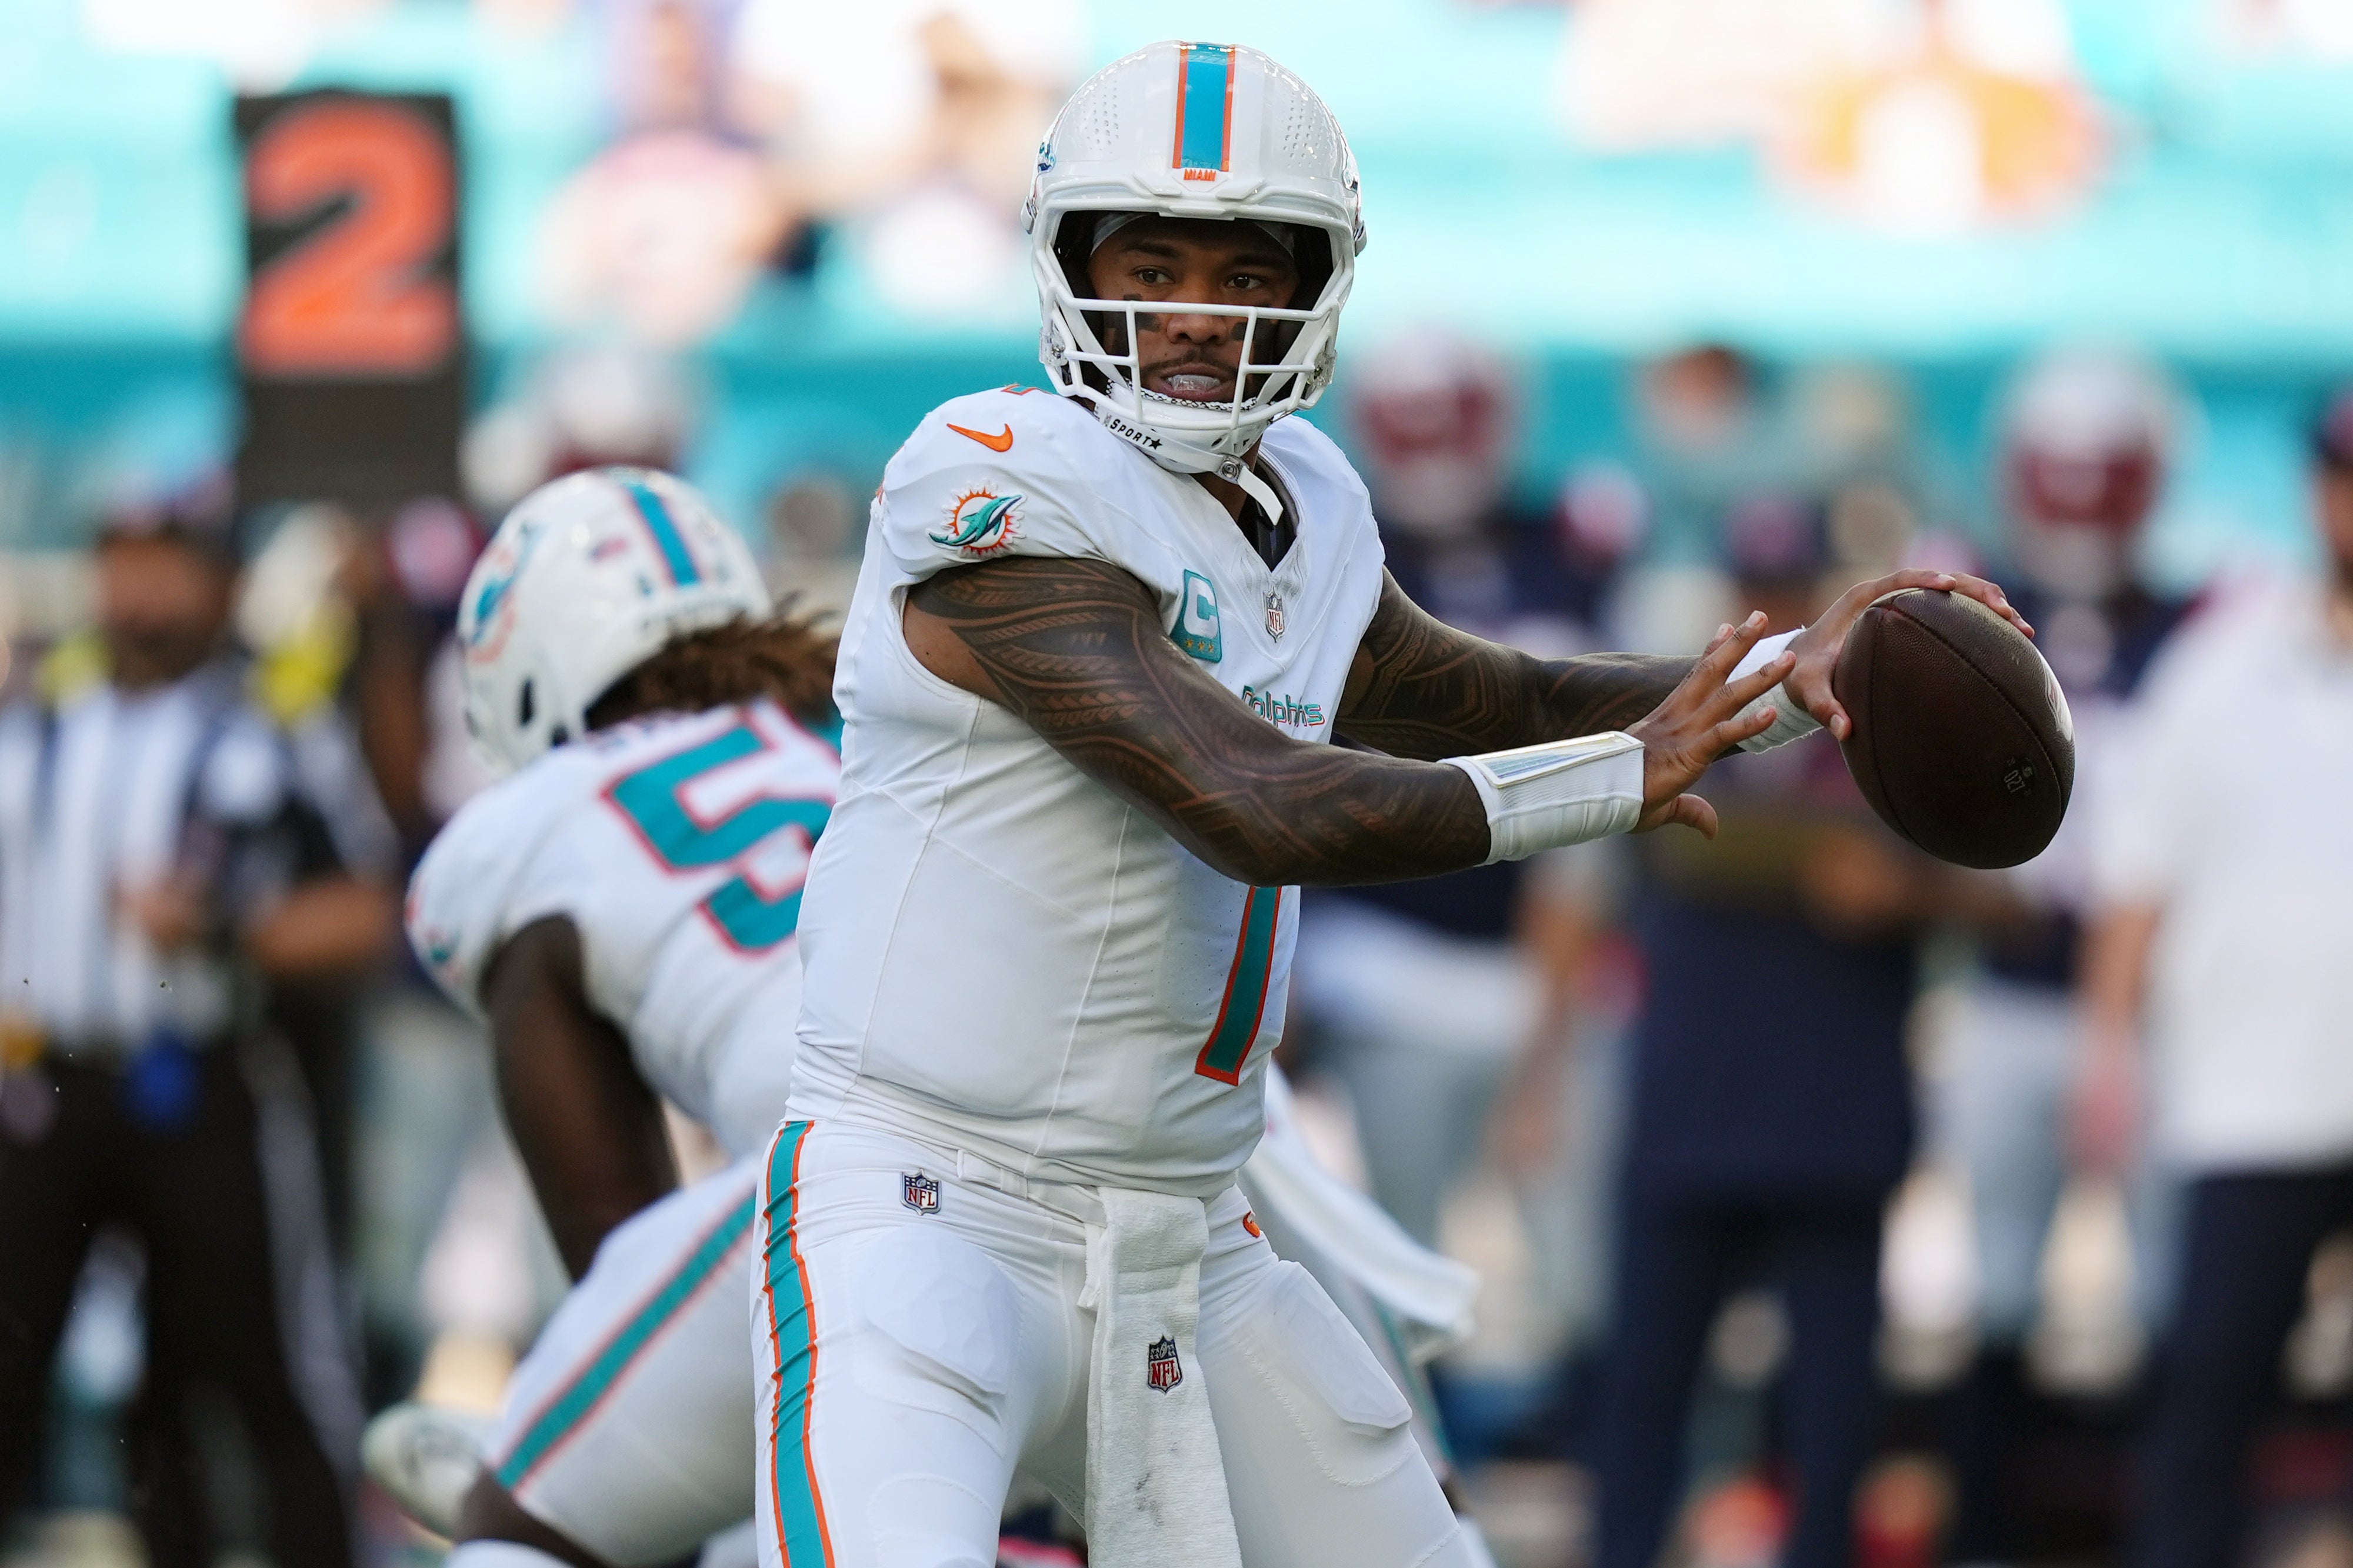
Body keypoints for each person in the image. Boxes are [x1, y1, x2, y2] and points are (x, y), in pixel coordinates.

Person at [755, 39, 2026, 1568]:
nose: (1195, 313)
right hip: (932, 1205)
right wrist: (1618, 779)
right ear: (1069, 268)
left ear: (1317, 289)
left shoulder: (1308, 499)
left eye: (1244, 273)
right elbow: (1249, 798)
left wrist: (1782, 678)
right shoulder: (996, 476)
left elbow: (1489, 696)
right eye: (1150, 266)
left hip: (1184, 1233)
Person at [379, 467, 836, 1568]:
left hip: (855, 1192)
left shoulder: (525, 832)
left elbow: (618, 1253)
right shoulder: (844, 748)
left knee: (520, 1528)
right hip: (1138, 1190)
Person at [0, 495, 396, 1568]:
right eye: (122, 563)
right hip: (44, 1089)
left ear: (220, 585)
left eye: (166, 566)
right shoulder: (37, 724)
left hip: (202, 1086)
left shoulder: (272, 732)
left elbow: (369, 909)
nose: (140, 593)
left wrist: (227, 927)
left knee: (257, 1368)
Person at [2079, 389, 2353, 1568]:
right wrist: (2104, 1053)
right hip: (2250, 1101)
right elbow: (2135, 876)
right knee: (2209, 1407)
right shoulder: (2222, 662)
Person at [1938, 344, 2199, 1559]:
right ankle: (1988, 1523)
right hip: (2007, 992)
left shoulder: (2204, 628)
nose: (2084, 505)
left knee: (2167, 1287)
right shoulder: (1964, 615)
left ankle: (2158, 1524)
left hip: (2151, 1009)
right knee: (1994, 1284)